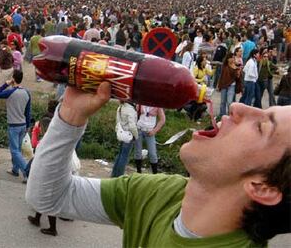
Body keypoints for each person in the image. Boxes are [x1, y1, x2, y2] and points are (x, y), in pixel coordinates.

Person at [26, 82, 291, 247]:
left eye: (261, 126)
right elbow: (50, 197)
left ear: (263, 187)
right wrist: (70, 115)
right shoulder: (165, 193)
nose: (236, 106)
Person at [0, 70, 31, 183]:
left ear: (13, 78)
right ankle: (15, 169)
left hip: (13, 124)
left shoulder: (10, 92)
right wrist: (28, 125)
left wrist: (6, 83)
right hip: (23, 124)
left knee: (14, 150)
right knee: (18, 149)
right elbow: (28, 111)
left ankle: (26, 171)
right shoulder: (26, 92)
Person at [134, 105, 165, 174]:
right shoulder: (140, 103)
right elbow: (134, 115)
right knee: (137, 152)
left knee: (152, 153)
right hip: (139, 129)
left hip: (150, 131)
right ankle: (138, 172)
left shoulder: (157, 105)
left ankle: (155, 174)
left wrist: (154, 131)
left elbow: (162, 120)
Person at [111, 101, 138, 178]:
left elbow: (118, 121)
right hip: (128, 135)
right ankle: (119, 176)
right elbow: (132, 126)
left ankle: (114, 174)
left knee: (120, 155)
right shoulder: (131, 110)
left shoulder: (121, 107)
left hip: (121, 133)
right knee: (124, 157)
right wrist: (136, 136)